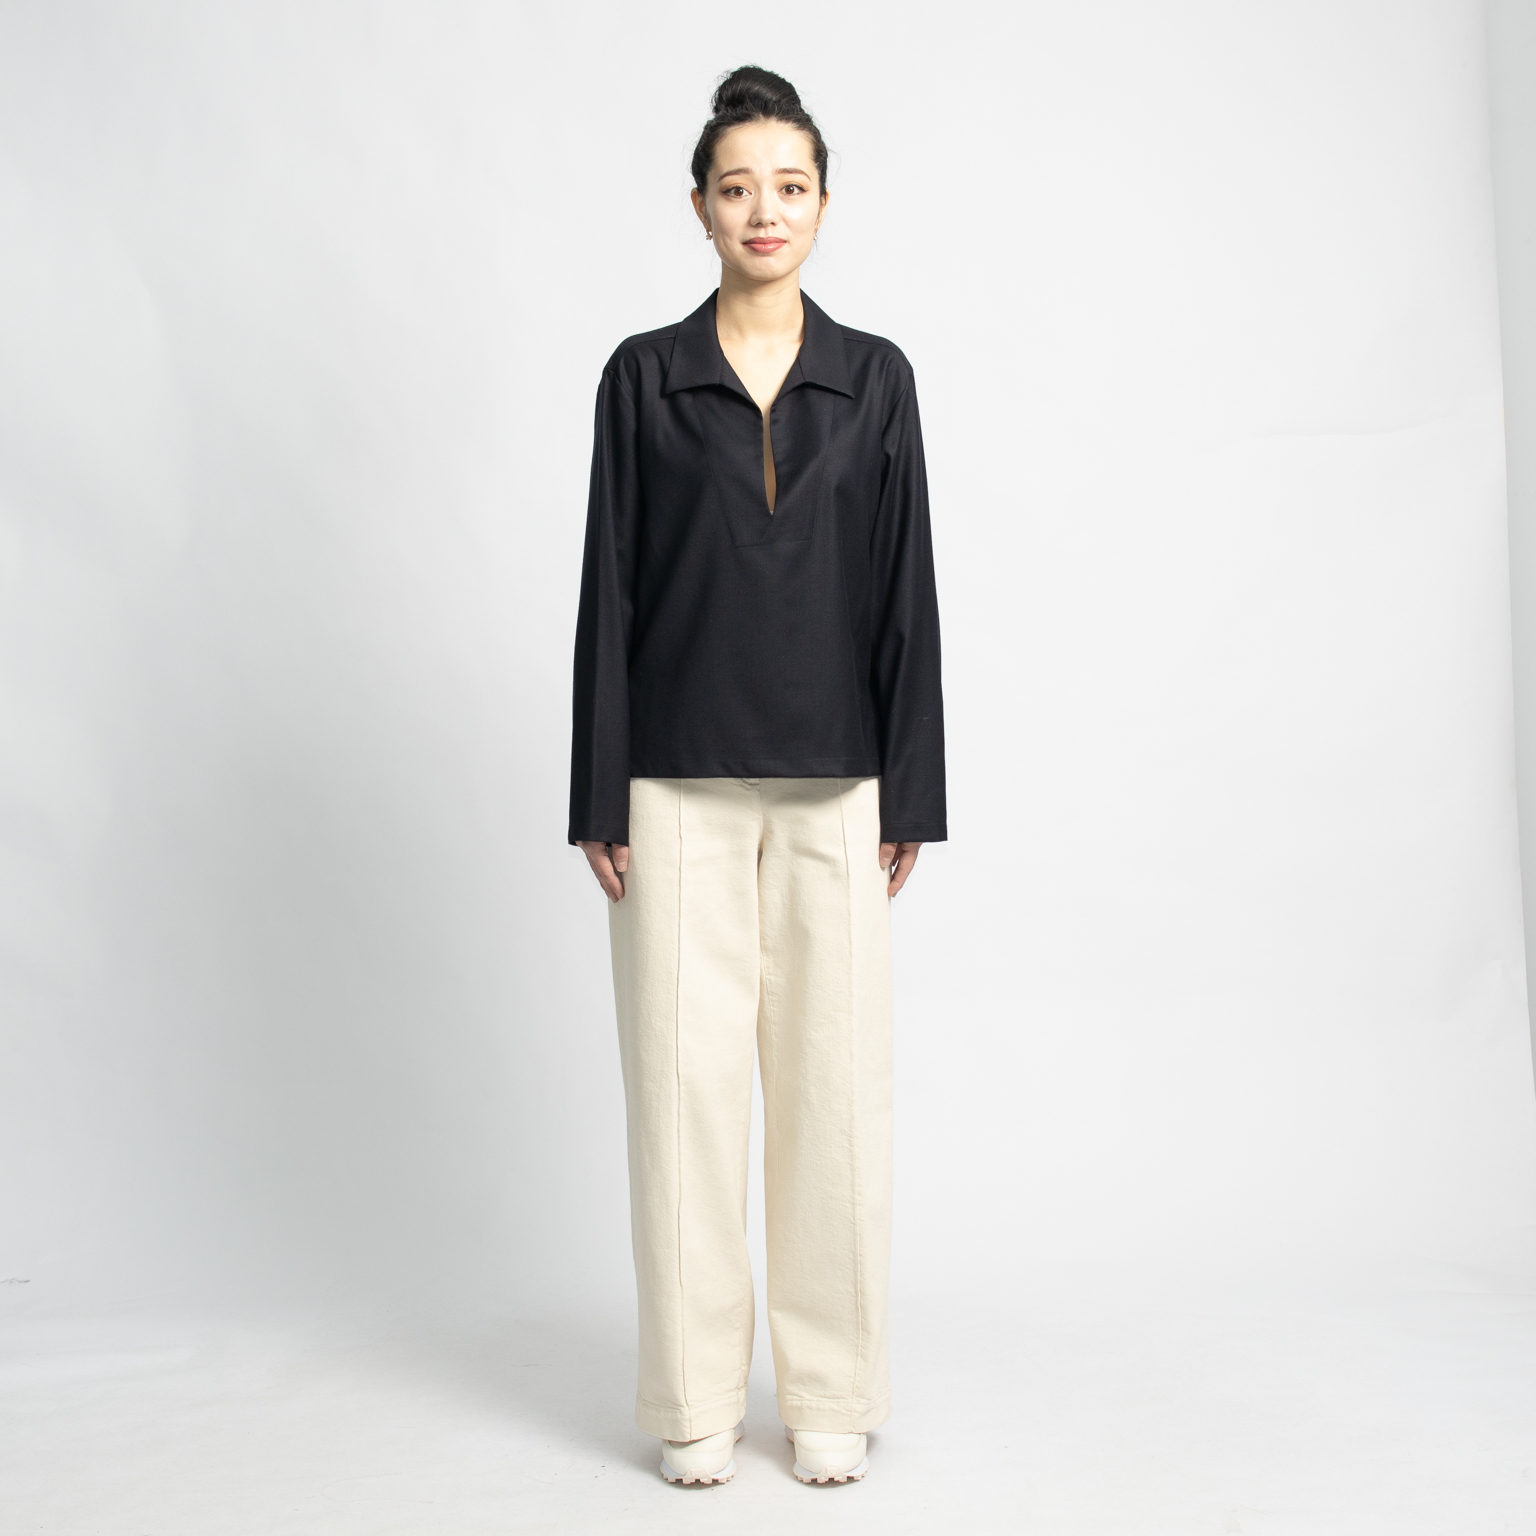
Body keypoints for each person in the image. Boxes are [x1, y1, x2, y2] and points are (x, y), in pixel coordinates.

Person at [568, 64, 946, 1487]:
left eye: (790, 185)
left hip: (839, 783)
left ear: (824, 204)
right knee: (681, 1096)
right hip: (671, 786)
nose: (764, 210)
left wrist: (912, 791)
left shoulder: (875, 378)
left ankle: (833, 1391)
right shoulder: (643, 378)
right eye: (738, 187)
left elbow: (905, 587)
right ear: (700, 208)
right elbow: (609, 585)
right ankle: (692, 1402)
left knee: (834, 1094)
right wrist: (598, 791)